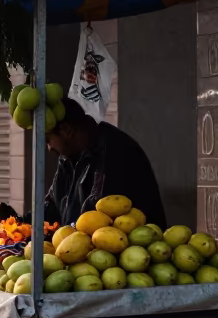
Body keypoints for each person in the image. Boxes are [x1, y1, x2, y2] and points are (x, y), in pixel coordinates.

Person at [43, 97, 167, 228]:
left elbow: (100, 217)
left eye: (48, 139)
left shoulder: (114, 151)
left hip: (132, 244)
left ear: (66, 130)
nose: (49, 147)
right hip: (81, 244)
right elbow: (53, 205)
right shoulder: (68, 158)